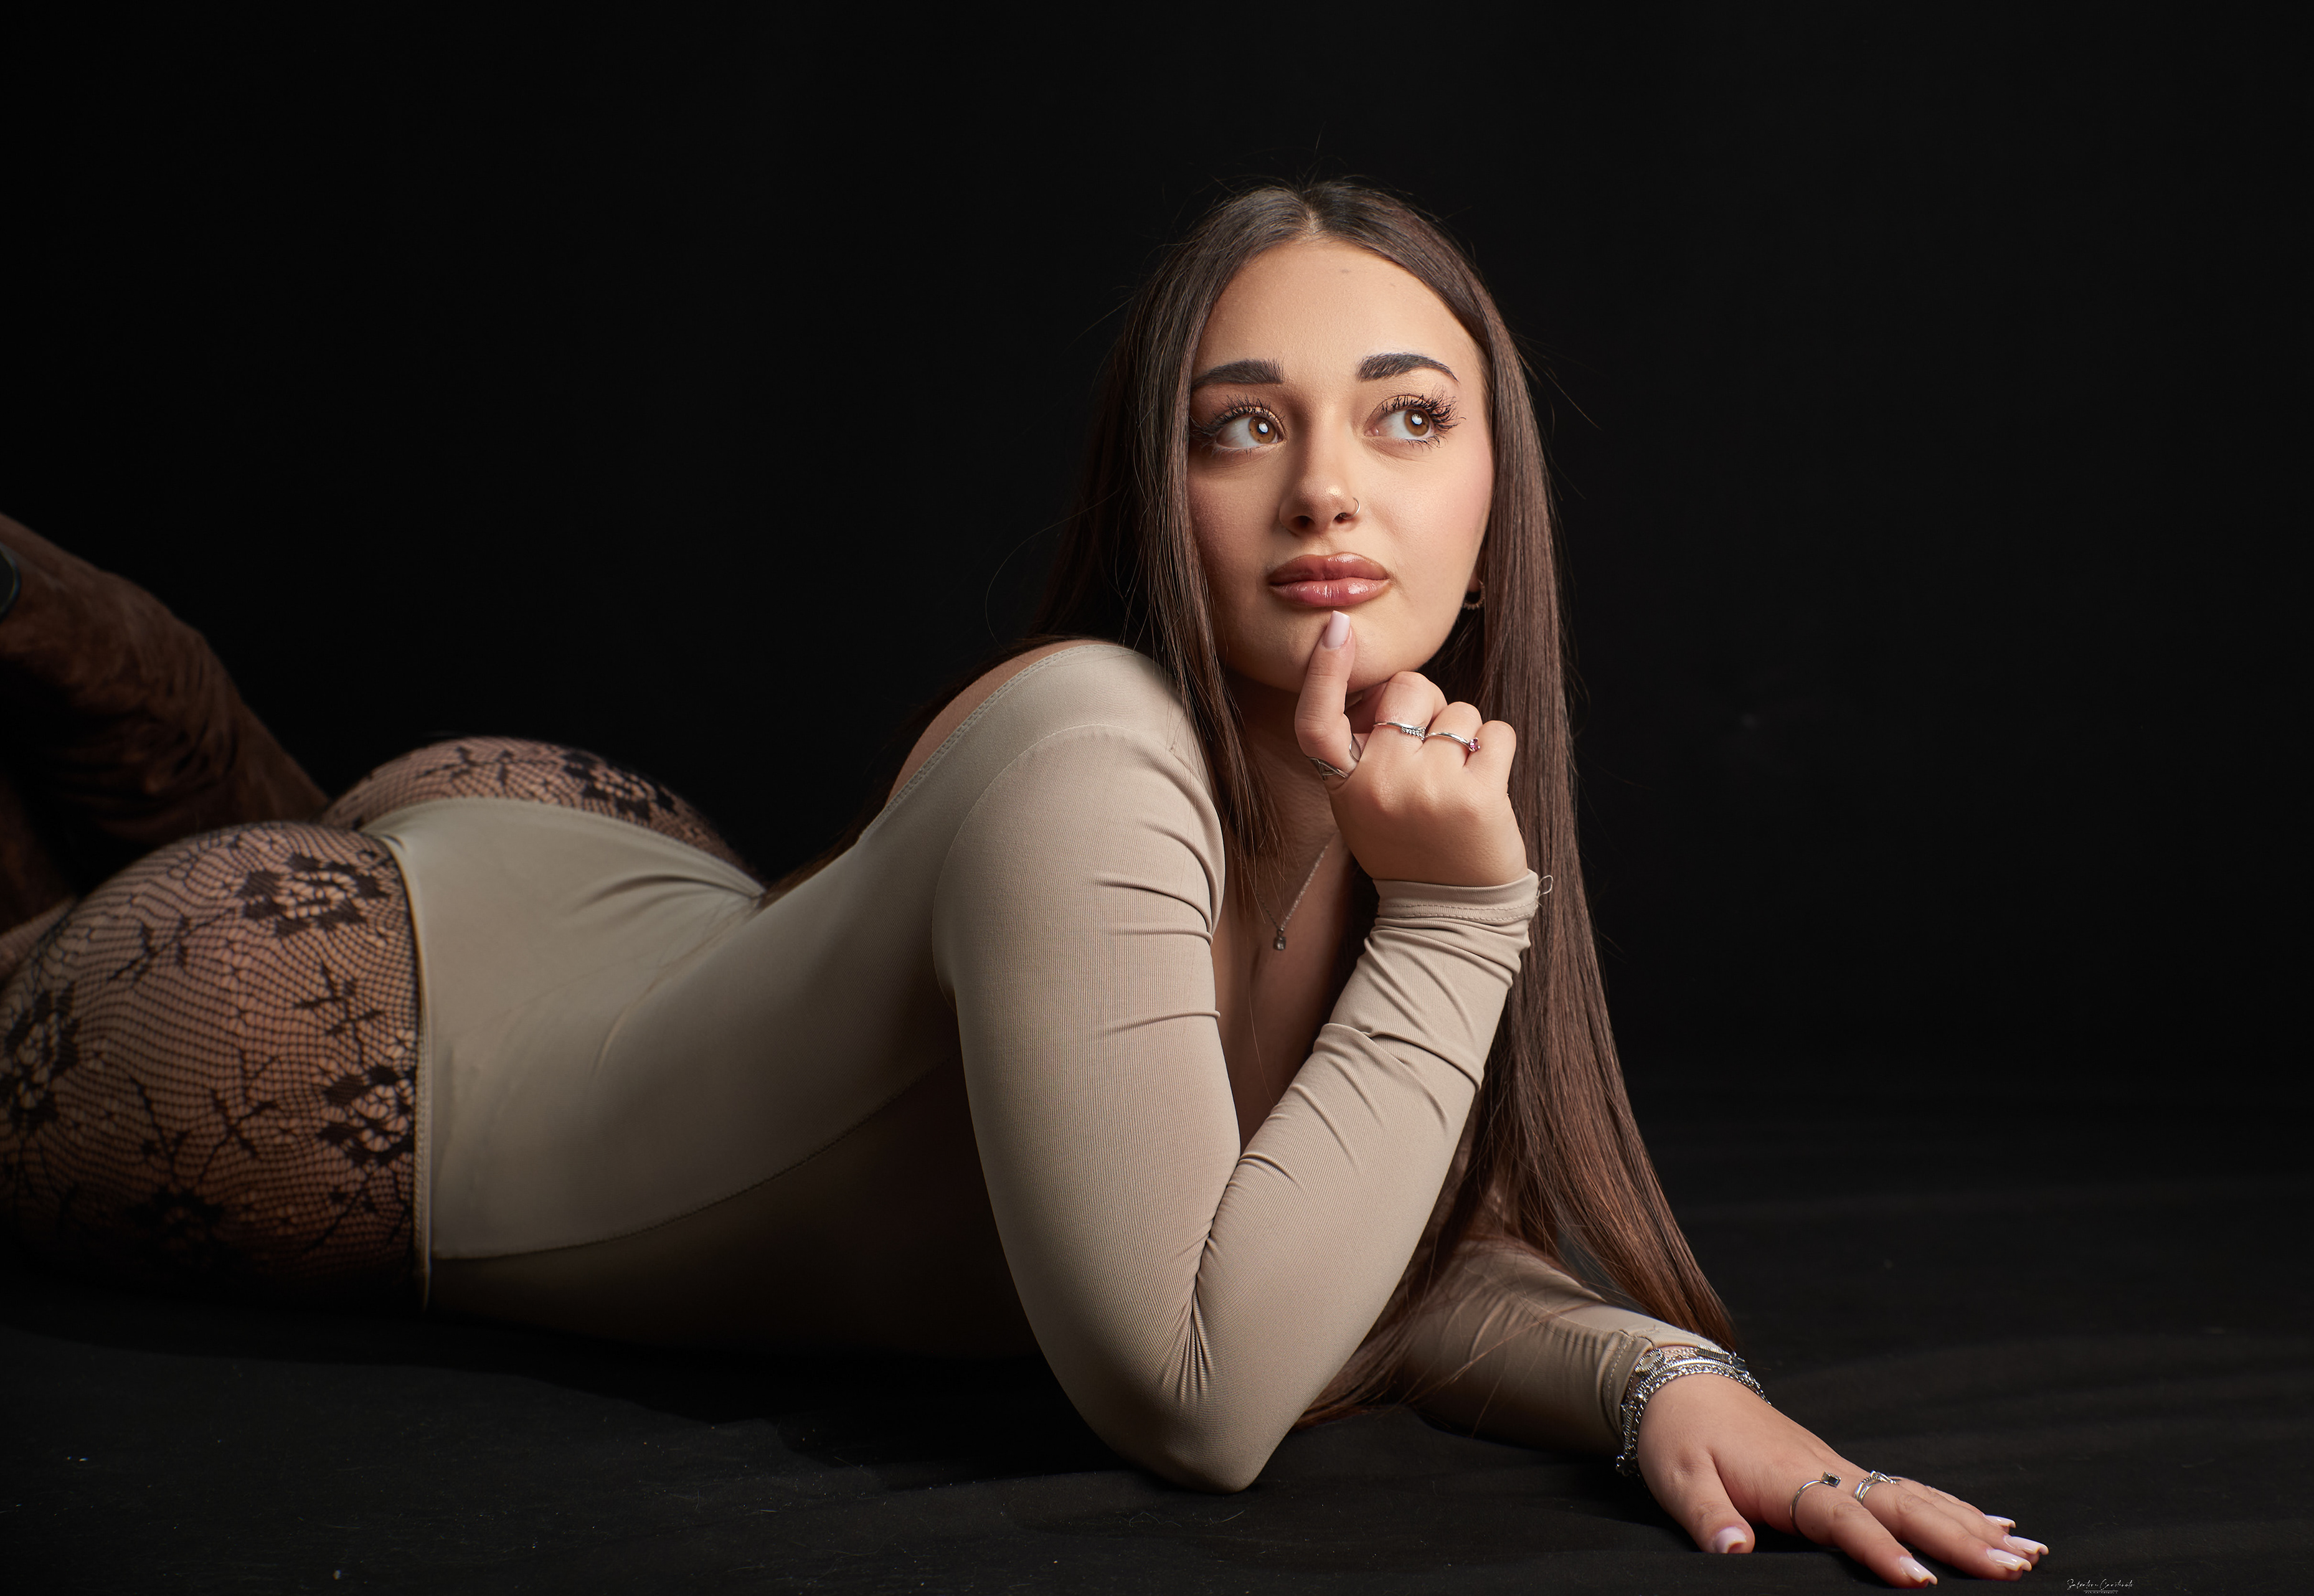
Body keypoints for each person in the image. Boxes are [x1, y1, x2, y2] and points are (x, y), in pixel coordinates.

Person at [0, 180, 2045, 1585]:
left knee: (174, 749)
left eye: (1407, 418)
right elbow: (1203, 1393)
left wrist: (1660, 1374)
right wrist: (1459, 921)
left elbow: (1372, 1269)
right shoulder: (1096, 745)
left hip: (606, 871)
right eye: (1241, 428)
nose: (1329, 486)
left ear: (1495, 498)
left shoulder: (1377, 796)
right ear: (1156, 495)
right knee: (137, 836)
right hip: (338, 1072)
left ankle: (115, 670)